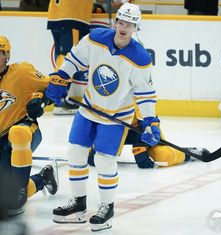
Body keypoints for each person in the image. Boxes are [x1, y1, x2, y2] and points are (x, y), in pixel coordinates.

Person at [46, 2, 161, 231]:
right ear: (115, 22)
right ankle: (78, 205)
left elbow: (145, 95)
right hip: (89, 108)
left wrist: (151, 123)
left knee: (104, 159)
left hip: (116, 116)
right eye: (121, 21)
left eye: (130, 23)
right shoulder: (96, 38)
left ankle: (107, 208)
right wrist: (62, 76)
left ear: (136, 27)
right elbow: (75, 58)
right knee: (76, 153)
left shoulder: (140, 58)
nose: (124, 27)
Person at [0, 36, 58, 216]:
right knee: (7, 202)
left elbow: (54, 86)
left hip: (23, 130)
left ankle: (19, 191)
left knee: (18, 133)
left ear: (7, 56)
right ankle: (42, 178)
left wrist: (42, 99)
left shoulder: (21, 73)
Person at [47, 0, 94, 115]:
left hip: (59, 15)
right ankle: (58, 98)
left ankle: (59, 97)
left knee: (62, 56)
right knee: (69, 58)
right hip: (72, 16)